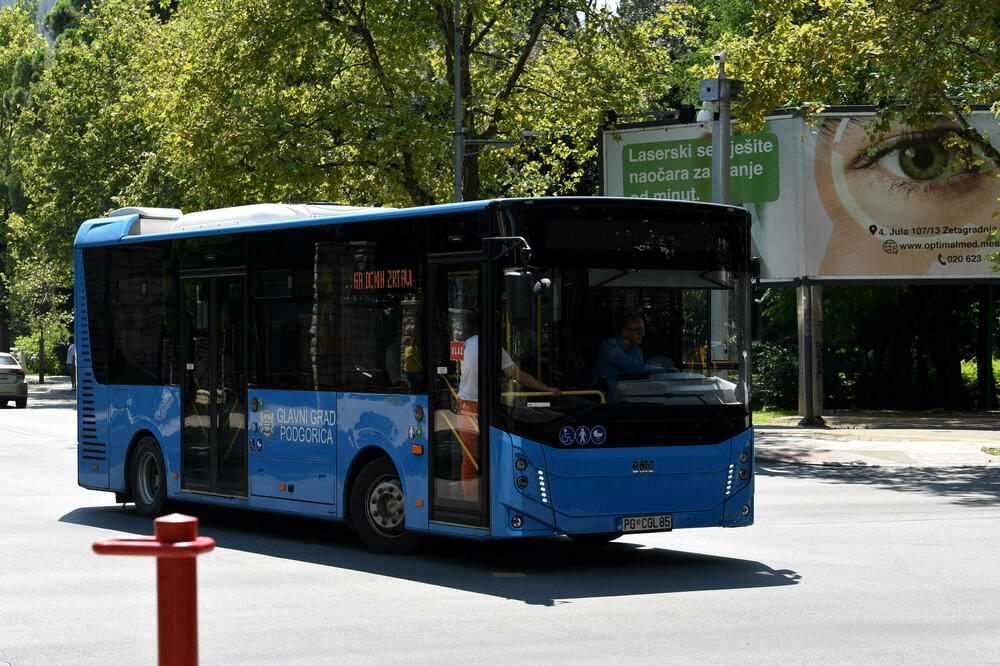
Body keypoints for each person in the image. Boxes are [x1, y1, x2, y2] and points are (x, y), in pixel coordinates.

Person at [456, 334, 560, 500]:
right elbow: (520, 376)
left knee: (469, 458)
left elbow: (462, 371)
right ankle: (499, 496)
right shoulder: (493, 347)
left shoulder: (466, 344)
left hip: (464, 404)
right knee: (499, 453)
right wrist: (547, 388)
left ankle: (471, 501)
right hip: (485, 406)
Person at [591, 314, 669, 395]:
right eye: (639, 331)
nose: (642, 335)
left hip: (626, 396)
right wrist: (660, 369)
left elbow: (640, 375)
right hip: (602, 399)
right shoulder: (609, 346)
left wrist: (651, 368)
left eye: (643, 330)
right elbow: (633, 367)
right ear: (625, 332)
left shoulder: (636, 350)